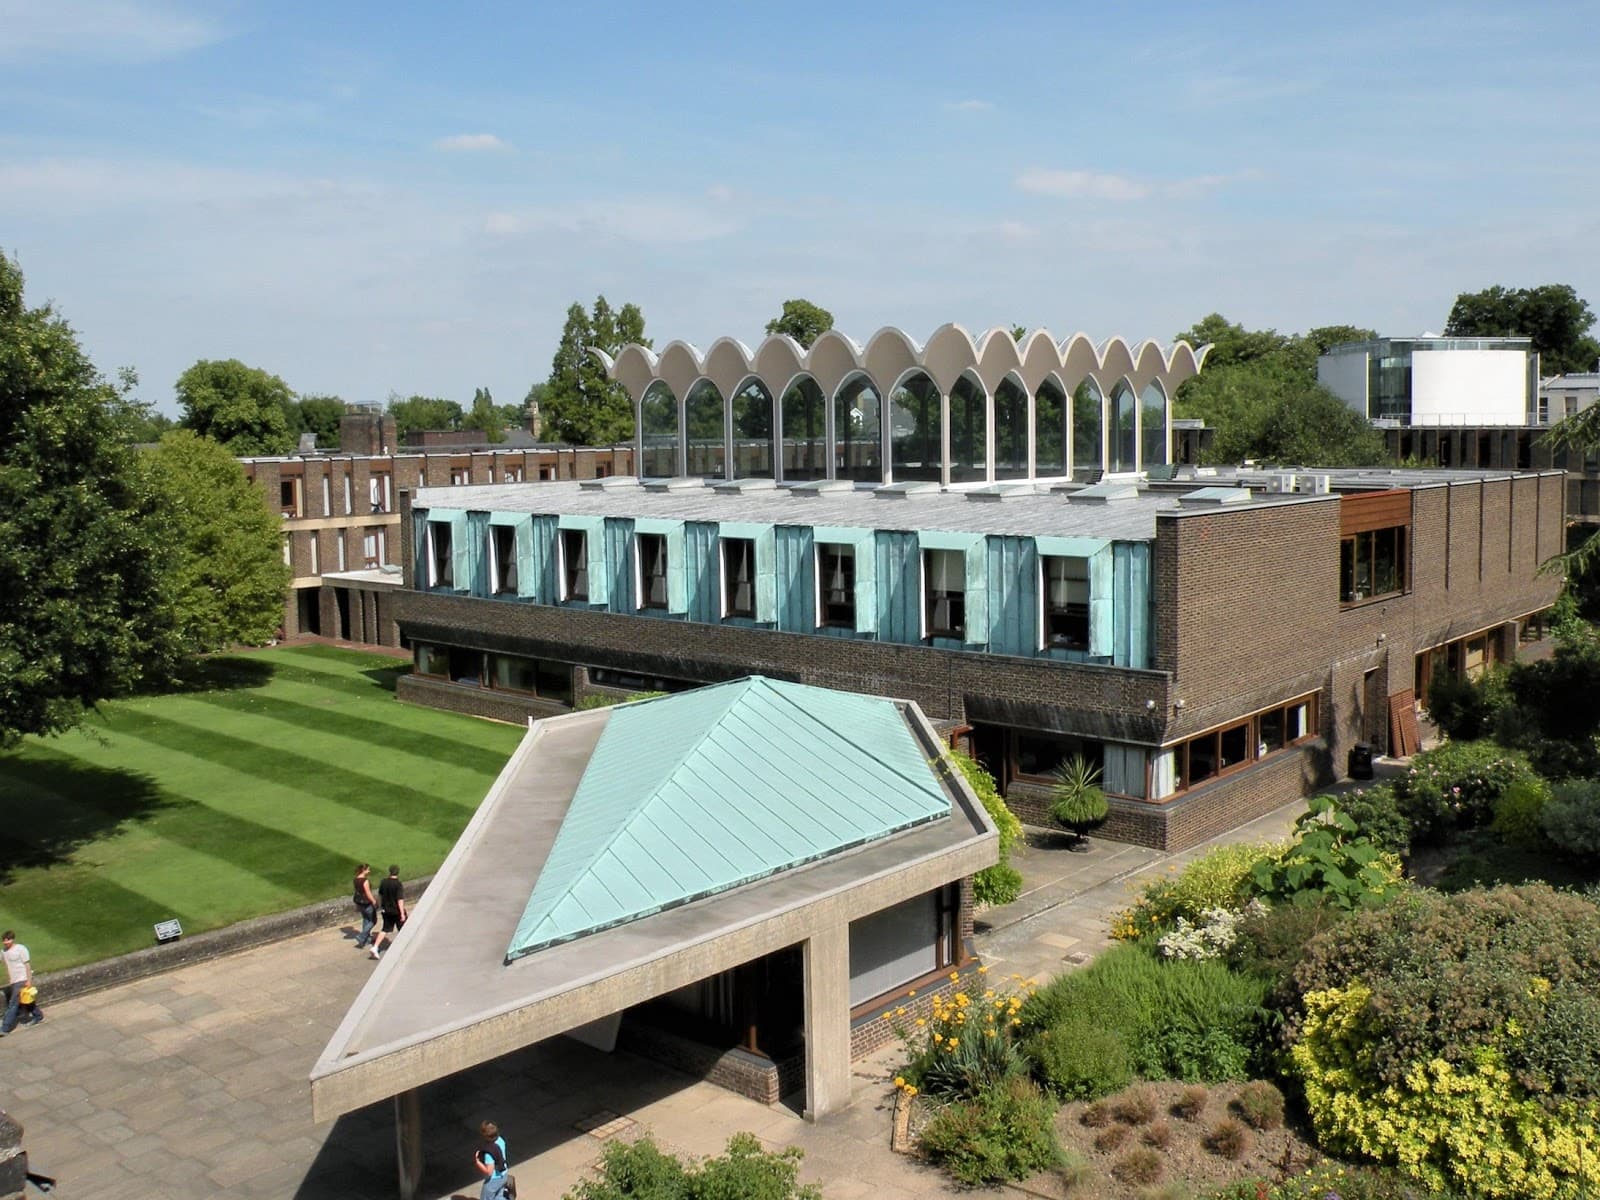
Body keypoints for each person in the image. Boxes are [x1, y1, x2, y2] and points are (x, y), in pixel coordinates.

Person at [1, 930, 40, 1035]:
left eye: (7, 940)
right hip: (14, 981)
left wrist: (29, 980)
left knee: (13, 1003)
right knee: (25, 1000)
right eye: (4, 941)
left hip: (22, 979)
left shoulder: (21, 949)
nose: (6, 942)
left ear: (12, 939)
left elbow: (27, 966)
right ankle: (38, 1016)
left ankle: (5, 1028)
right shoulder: (4, 952)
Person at [370, 864, 406, 960]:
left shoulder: (384, 882)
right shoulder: (398, 884)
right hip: (396, 911)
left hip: (386, 910)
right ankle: (403, 948)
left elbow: (380, 895)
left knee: (385, 929)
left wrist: (382, 906)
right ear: (398, 872)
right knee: (403, 929)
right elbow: (400, 900)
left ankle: (375, 947)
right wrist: (402, 913)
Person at [474, 1120, 511, 1200]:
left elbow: (489, 1171)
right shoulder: (501, 1140)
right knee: (500, 1197)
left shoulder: (489, 1152)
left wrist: (478, 1162)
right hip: (504, 1174)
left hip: (493, 1180)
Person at [352, 863, 379, 950]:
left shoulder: (355, 879)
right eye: (368, 869)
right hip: (367, 903)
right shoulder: (365, 881)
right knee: (373, 920)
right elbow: (368, 893)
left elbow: (357, 891)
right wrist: (374, 901)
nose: (369, 871)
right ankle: (362, 936)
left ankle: (366, 939)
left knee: (366, 919)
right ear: (364, 870)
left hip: (359, 903)